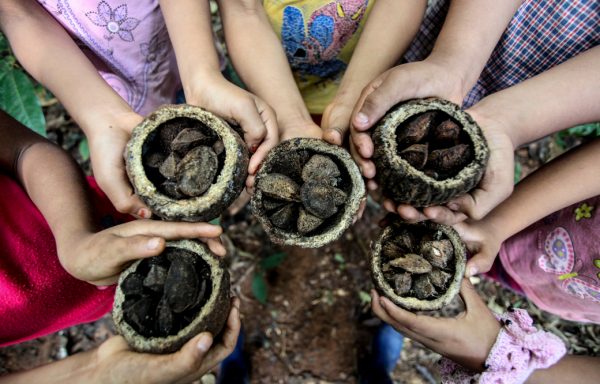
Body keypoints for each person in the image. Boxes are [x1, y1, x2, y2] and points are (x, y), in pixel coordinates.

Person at [0, 108, 240, 382]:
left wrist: (75, 238)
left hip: (105, 225)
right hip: (95, 298)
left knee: (212, 301)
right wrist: (95, 374)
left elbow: (23, 149)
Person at [0, 0, 279, 217]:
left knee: (229, 129)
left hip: (179, 45)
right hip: (108, 91)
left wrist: (201, 74)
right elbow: (17, 13)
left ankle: (237, 183)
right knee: (155, 156)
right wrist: (100, 116)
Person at [347, 0, 599, 212]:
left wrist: (510, 120)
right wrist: (453, 62)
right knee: (391, 90)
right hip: (448, 29)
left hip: (528, 88)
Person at [217, 0, 427, 143]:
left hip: (363, 87)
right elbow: (244, 10)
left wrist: (349, 101)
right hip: (270, 92)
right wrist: (291, 120)